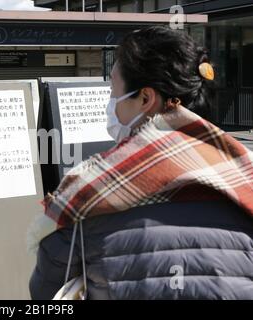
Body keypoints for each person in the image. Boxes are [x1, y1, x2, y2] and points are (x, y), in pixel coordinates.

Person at [28, 26, 253, 300]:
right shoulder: (245, 179)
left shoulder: (87, 194)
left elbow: (45, 291)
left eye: (113, 90)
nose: (110, 103)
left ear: (145, 99)